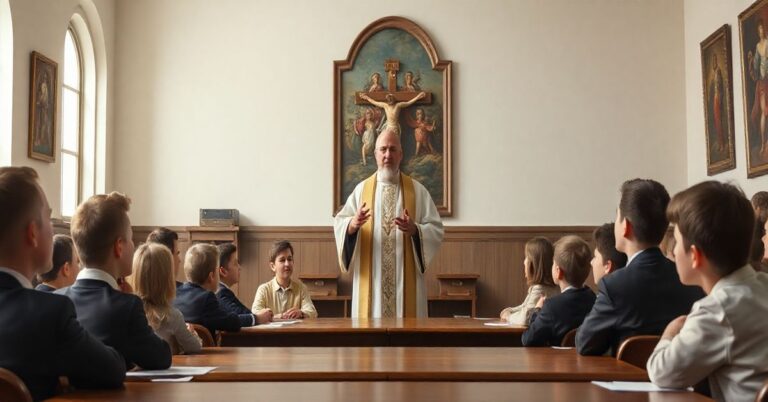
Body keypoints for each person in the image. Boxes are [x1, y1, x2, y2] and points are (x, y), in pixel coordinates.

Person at [0, 167, 125, 401]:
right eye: (48, 217)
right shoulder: (48, 312)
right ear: (33, 233)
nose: (53, 227)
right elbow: (112, 370)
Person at [647, 181, 768, 402]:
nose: (672, 250)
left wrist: (670, 334)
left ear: (695, 256)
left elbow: (662, 371)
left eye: (677, 241)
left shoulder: (717, 311)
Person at [576, 179, 705, 356]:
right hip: (683, 381)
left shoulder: (614, 285)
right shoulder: (691, 282)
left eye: (617, 217)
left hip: (626, 382)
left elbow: (585, 343)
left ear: (625, 227)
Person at [333, 130, 444, 318]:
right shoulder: (361, 190)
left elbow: (435, 228)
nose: (387, 155)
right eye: (383, 149)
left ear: (401, 154)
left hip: (406, 286)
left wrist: (415, 230)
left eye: (393, 150)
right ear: (375, 154)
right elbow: (341, 223)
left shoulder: (418, 191)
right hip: (371, 283)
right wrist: (352, 225)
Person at [57, 192, 172, 370]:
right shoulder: (127, 306)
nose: (134, 246)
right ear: (119, 246)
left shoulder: (55, 301)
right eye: (131, 239)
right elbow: (160, 357)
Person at [522, 235, 596, 346]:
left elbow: (528, 340)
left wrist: (536, 311)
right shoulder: (593, 299)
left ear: (558, 271)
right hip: (589, 362)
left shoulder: (551, 306)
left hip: (557, 362)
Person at [130, 243, 202, 355]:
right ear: (167, 280)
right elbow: (195, 347)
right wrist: (192, 334)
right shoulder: (171, 316)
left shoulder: (128, 312)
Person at [174, 244, 259, 336]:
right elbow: (229, 322)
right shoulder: (207, 298)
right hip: (204, 349)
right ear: (211, 276)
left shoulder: (177, 292)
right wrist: (256, 318)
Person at [499, 237, 560, 325]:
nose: (524, 262)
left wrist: (508, 316)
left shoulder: (540, 290)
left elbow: (525, 318)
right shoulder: (542, 287)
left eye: (526, 257)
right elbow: (525, 307)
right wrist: (511, 310)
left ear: (533, 264)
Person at [252, 240, 317, 319]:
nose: (287, 264)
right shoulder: (263, 290)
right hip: (271, 331)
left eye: (289, 259)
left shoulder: (301, 288)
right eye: (282, 260)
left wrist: (301, 313)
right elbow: (255, 314)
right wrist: (280, 316)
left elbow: (313, 312)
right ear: (273, 266)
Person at [217, 243, 273, 321]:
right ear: (223, 271)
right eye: (235, 263)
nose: (239, 267)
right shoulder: (221, 293)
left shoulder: (224, 291)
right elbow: (239, 315)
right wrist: (258, 317)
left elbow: (245, 313)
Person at [359, 92, 426, 135]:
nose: (390, 100)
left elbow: (409, 103)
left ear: (394, 99)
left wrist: (418, 97)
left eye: (391, 98)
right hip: (388, 127)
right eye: (388, 99)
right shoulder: (385, 105)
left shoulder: (398, 105)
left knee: (395, 143)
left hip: (395, 127)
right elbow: (374, 102)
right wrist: (367, 98)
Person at [749, 19, 768, 154]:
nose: (760, 31)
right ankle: (763, 143)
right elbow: (756, 66)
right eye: (759, 29)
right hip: (762, 81)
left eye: (762, 28)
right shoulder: (757, 46)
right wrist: (751, 60)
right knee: (762, 111)